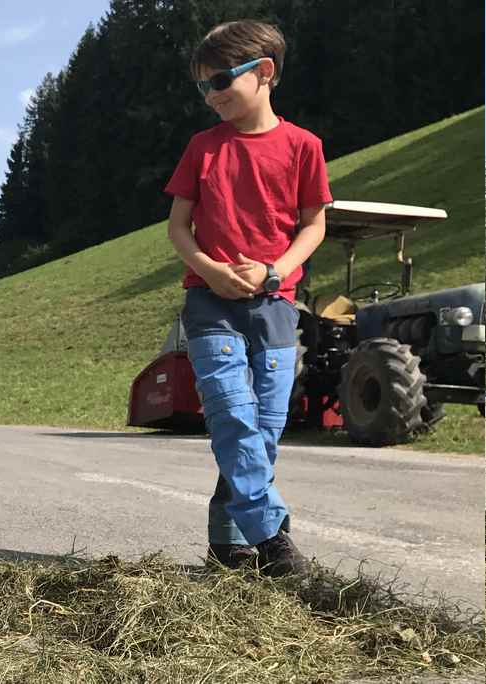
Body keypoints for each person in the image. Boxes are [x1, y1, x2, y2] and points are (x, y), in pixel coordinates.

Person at [164, 20, 332, 576]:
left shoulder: (304, 146)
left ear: (264, 73)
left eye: (219, 81)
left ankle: (227, 547)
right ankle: (276, 544)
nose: (211, 96)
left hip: (276, 305)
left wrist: (275, 271)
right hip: (209, 305)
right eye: (203, 87)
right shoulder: (203, 148)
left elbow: (314, 225)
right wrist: (210, 271)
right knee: (233, 418)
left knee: (262, 429)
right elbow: (178, 229)